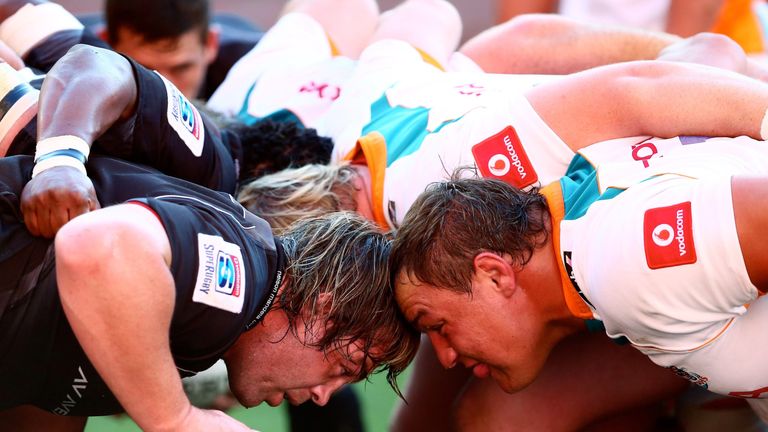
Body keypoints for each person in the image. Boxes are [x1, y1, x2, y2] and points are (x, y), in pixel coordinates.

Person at [0, 152, 418, 430]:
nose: (324, 397)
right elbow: (96, 248)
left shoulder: (222, 317)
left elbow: (47, 383)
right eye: (345, 366)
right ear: (320, 311)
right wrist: (175, 419)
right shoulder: (240, 278)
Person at [390, 130, 768, 424]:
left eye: (437, 324)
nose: (444, 356)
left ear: (494, 275)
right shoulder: (582, 233)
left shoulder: (627, 262)